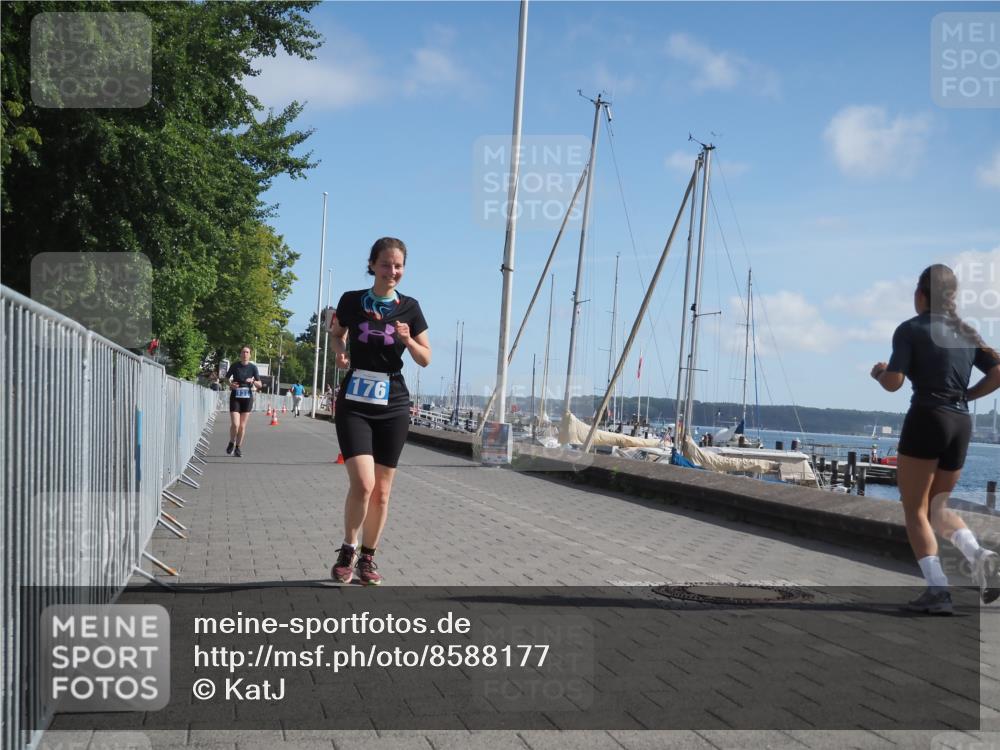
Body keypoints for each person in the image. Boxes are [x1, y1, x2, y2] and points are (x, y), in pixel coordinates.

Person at [872, 264, 1000, 614]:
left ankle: (937, 591)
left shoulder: (910, 330)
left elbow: (895, 382)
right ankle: (980, 555)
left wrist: (880, 372)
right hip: (960, 422)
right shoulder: (967, 332)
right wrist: (967, 396)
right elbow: (999, 370)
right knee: (938, 505)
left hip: (927, 416)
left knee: (915, 509)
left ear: (921, 294)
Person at [326, 237, 431, 585]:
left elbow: (425, 358)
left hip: (393, 400)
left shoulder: (411, 308)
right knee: (364, 483)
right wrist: (340, 351)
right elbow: (337, 334)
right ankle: (348, 547)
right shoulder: (351, 301)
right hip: (355, 399)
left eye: (398, 265)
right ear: (372, 265)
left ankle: (368, 558)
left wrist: (408, 340)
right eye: (385, 264)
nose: (392, 271)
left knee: (383, 491)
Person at [225, 346, 261, 458]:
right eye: (243, 352)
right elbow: (225, 379)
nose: (245, 354)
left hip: (247, 398)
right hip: (236, 397)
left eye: (247, 352)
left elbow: (260, 384)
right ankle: (231, 442)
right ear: (240, 354)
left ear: (250, 355)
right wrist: (230, 385)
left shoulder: (253, 368)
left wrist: (253, 381)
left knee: (242, 426)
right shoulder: (235, 366)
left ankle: (238, 448)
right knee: (235, 424)